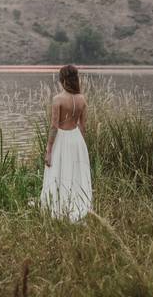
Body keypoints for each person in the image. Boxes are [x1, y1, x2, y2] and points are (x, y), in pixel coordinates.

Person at [40, 64, 92, 221]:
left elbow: (54, 127)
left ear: (62, 80)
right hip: (76, 139)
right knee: (75, 173)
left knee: (58, 171)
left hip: (62, 139)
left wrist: (49, 149)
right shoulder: (82, 99)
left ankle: (57, 206)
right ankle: (77, 203)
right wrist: (83, 147)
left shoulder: (58, 99)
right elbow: (83, 127)